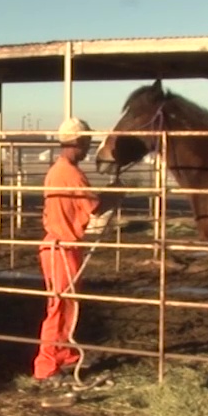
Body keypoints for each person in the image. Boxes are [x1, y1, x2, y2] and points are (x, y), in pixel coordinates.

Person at [33, 117, 121, 385]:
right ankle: (46, 366)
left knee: (68, 304)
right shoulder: (70, 174)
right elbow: (95, 207)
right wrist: (116, 193)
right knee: (59, 306)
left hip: (63, 244)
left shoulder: (61, 169)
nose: (88, 147)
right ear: (78, 142)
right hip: (62, 245)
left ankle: (65, 355)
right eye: (86, 142)